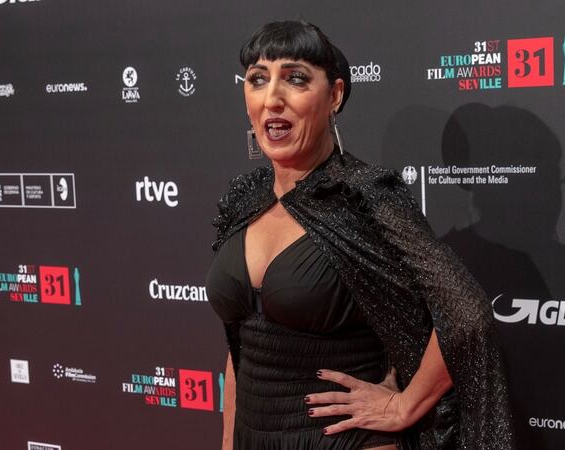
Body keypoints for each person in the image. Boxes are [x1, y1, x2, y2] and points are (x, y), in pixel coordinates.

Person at [205, 20, 513, 450]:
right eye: (258, 79)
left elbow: (467, 316)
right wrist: (227, 439)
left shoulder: (364, 195)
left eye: (295, 78)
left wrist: (403, 407)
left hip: (345, 441)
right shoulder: (246, 199)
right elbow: (240, 346)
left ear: (334, 95)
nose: (272, 98)